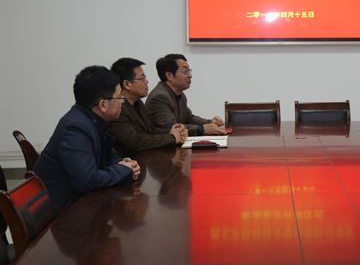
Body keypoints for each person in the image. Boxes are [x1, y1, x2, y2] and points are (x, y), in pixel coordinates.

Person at [33, 66, 140, 213]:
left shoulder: (92, 120)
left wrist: (124, 164)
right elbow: (87, 180)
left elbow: (108, 157)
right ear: (103, 105)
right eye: (119, 97)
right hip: (63, 212)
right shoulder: (75, 128)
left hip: (81, 202)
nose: (122, 102)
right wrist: (124, 170)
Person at [108, 58, 188, 157]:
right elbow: (135, 142)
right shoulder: (118, 108)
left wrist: (176, 132)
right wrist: (172, 137)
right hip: (127, 162)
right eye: (142, 78)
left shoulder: (138, 102)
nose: (146, 81)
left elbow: (150, 130)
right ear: (127, 84)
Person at [146, 54, 225, 135]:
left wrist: (209, 122)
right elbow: (172, 127)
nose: (190, 75)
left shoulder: (179, 94)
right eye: (185, 71)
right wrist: (202, 129)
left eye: (189, 71)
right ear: (169, 75)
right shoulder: (159, 97)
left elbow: (188, 118)